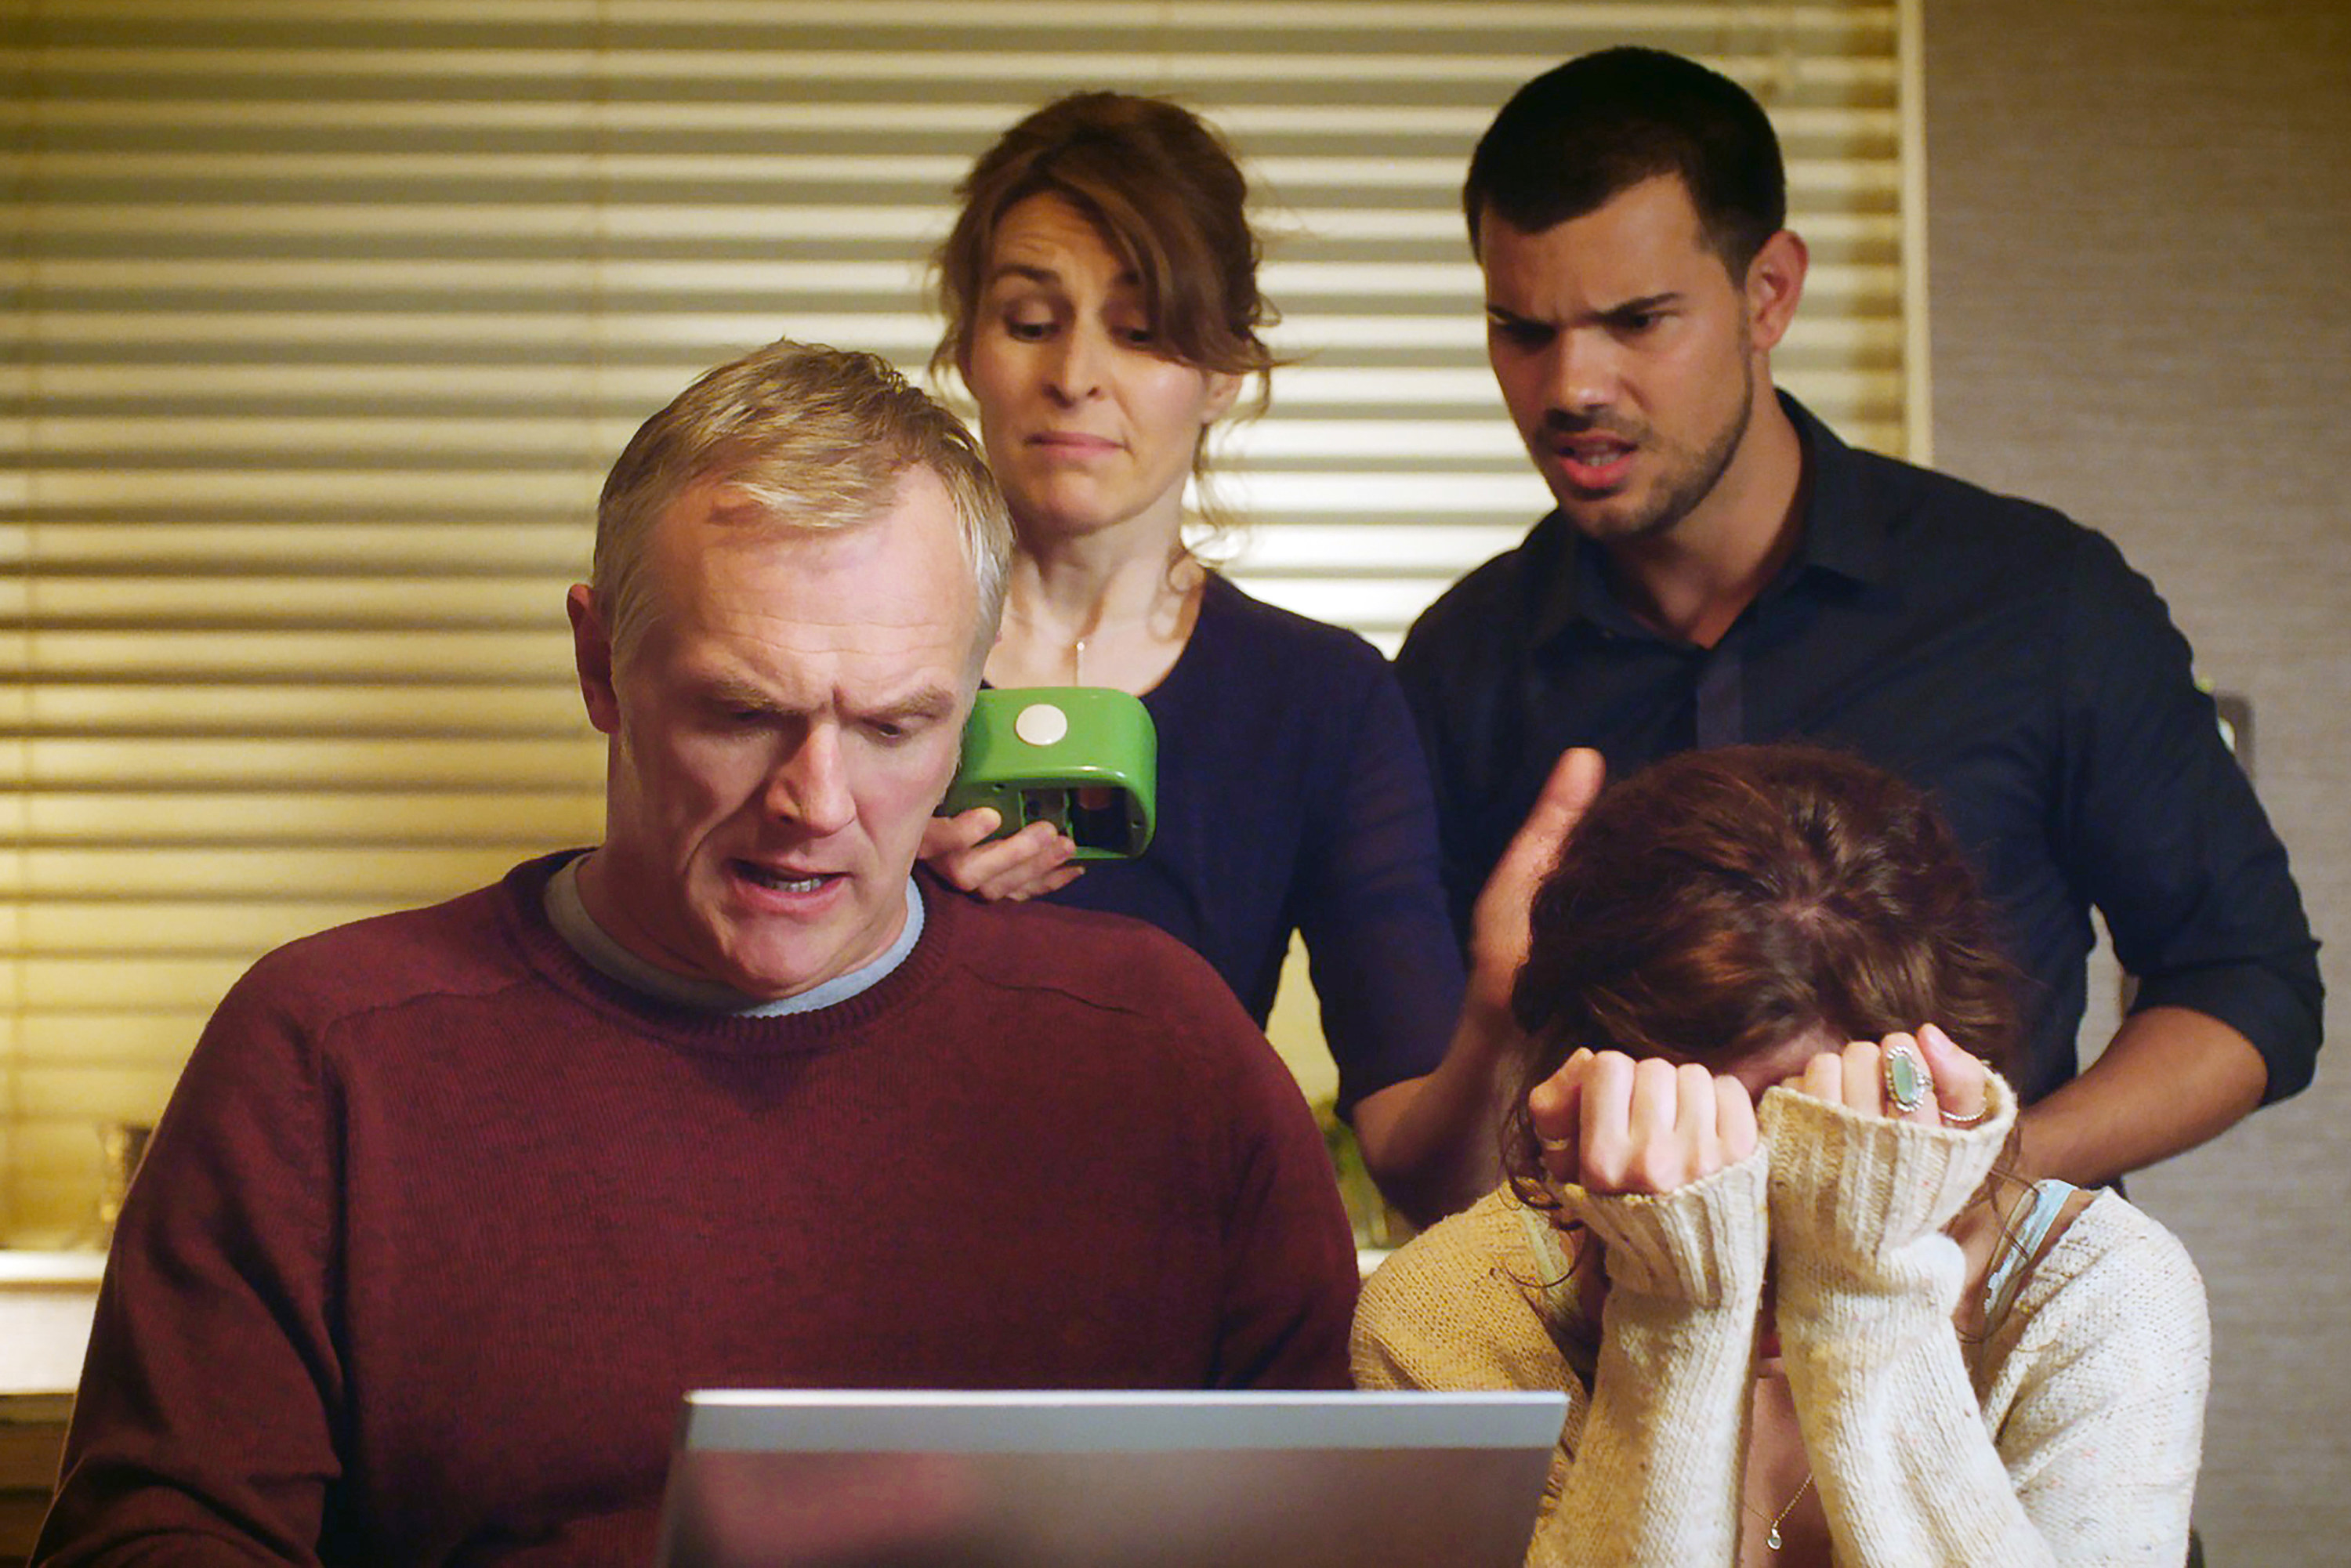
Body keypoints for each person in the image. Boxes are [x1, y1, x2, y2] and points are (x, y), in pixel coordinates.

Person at [34, 339, 1360, 1566]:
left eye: (897, 727)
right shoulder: (325, 1058)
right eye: (743, 710)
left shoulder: (1164, 1059)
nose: (816, 801)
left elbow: (1349, 1522)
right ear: (600, 663)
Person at [1393, 46, 2321, 1186]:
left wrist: (1989, 1176)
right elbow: (1425, 1169)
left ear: (1768, 292)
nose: (1573, 385)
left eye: (1637, 322)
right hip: (1616, 1343)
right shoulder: (1458, 664)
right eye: (1522, 330)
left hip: (1976, 1341)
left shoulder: (2038, 598)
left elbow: (2249, 985)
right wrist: (1492, 1018)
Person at [1354, 744, 2211, 1566]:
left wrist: (1870, 1296)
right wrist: (1676, 1309)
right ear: (1571, 1099)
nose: (1757, 1212)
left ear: (1945, 1082)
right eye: (1699, 1130)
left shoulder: (2096, 1289)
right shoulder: (1455, 1310)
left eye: (1822, 1133)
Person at [920, 90, 1512, 1222]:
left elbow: (1421, 1159)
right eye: (1031, 319)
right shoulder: (864, 654)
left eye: (1139, 331)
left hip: (1175, 1297)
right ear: (970, 349)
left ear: (1226, 367)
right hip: (870, 1267)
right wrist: (883, 918)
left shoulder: (1320, 699)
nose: (1077, 374)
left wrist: (1497, 1019)